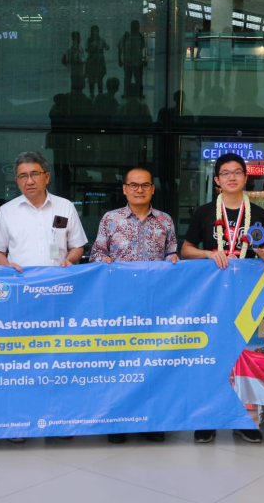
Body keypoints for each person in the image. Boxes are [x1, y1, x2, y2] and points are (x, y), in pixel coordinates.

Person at [181, 152, 264, 444]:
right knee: (210, 357)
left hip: (248, 296)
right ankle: (207, 418)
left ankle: (241, 420)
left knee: (243, 358)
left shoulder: (261, 215)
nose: (232, 177)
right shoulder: (205, 212)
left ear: (246, 177)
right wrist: (208, 252)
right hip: (212, 298)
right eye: (225, 173)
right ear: (218, 180)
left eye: (237, 172)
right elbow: (185, 249)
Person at [90, 166, 177, 444]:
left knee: (153, 362)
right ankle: (118, 422)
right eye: (134, 185)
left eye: (145, 185)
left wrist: (174, 261)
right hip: (120, 305)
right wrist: (102, 262)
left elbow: (172, 253)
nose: (139, 189)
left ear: (153, 189)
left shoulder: (165, 221)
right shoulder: (110, 219)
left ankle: (152, 422)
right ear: (125, 189)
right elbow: (96, 254)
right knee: (120, 363)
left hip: (156, 305)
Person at [0, 151, 87, 272]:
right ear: (17, 181)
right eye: (23, 176)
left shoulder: (65, 207)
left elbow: (77, 246)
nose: (30, 181)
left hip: (58, 281)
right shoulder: (6, 211)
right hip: (21, 282)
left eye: (35, 174)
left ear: (47, 177)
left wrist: (70, 260)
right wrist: (7, 268)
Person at [118, 20, 147, 97]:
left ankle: (139, 93)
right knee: (128, 79)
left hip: (138, 62)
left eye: (137, 26)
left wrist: (144, 60)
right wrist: (119, 60)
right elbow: (120, 48)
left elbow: (143, 49)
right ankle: (126, 93)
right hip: (128, 63)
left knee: (138, 79)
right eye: (134, 26)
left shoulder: (140, 37)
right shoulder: (125, 37)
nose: (136, 28)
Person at [85, 25, 109, 99]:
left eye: (96, 30)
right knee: (91, 78)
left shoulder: (101, 40)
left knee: (100, 79)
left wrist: (104, 44)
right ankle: (92, 94)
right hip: (92, 61)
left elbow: (107, 47)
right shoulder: (89, 40)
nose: (95, 32)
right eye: (94, 30)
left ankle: (100, 94)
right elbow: (86, 49)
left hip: (99, 62)